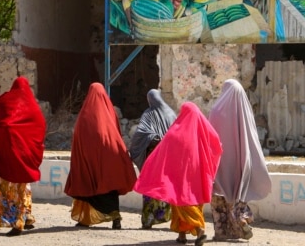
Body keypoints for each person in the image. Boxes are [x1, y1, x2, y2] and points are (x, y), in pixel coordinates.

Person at [134, 102, 222, 246]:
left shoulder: (176, 131)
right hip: (198, 172)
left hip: (180, 173)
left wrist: (153, 166)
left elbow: (163, 150)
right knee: (194, 198)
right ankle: (182, 235)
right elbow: (217, 145)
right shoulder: (204, 129)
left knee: (181, 200)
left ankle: (199, 229)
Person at [64, 83, 136, 230]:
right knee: (110, 187)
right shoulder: (110, 112)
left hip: (88, 160)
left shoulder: (84, 115)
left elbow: (78, 137)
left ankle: (85, 218)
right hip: (108, 158)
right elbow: (117, 133)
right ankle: (115, 219)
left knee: (87, 185)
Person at [0, 76, 46, 237]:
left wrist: (2, 129)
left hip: (5, 153)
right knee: (22, 186)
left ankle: (13, 220)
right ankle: (25, 217)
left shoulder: (6, 99)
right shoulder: (33, 105)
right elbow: (40, 126)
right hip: (24, 156)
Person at [208, 79, 272, 241]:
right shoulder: (244, 110)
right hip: (241, 161)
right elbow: (252, 138)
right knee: (239, 194)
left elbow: (210, 137)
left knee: (219, 197)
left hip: (220, 163)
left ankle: (221, 232)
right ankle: (241, 219)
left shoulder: (216, 111)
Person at [128, 89, 177, 229]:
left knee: (150, 185)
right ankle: (164, 216)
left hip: (153, 158)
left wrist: (154, 139)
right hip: (167, 158)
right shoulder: (171, 113)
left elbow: (140, 133)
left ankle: (148, 219)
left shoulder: (148, 114)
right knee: (165, 184)